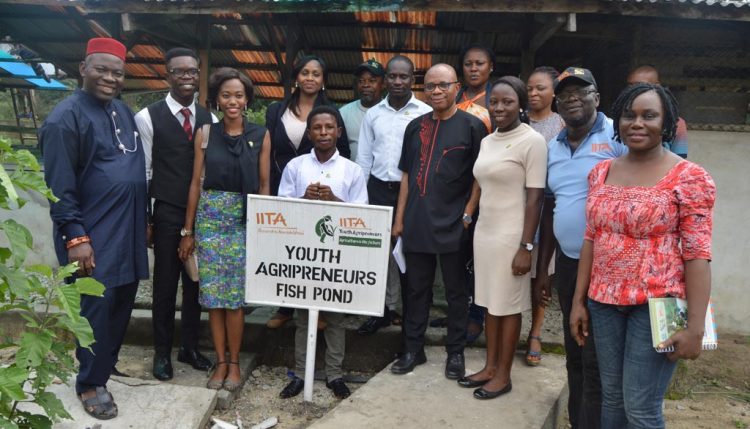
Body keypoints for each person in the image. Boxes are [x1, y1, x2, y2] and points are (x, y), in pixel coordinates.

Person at [570, 83, 715, 428]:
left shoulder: (690, 178)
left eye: (649, 115)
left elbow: (697, 255)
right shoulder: (601, 173)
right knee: (612, 400)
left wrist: (695, 327)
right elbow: (592, 237)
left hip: (657, 306)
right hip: (603, 302)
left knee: (641, 407)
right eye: (629, 115)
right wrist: (579, 301)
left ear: (666, 123)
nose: (637, 123)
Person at [40, 37, 148, 420]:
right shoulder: (63, 119)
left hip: (128, 230)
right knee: (95, 309)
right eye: (101, 69)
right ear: (83, 68)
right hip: (92, 235)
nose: (109, 77)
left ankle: (104, 368)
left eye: (117, 72)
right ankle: (89, 382)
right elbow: (58, 187)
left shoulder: (123, 111)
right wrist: (75, 237)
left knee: (121, 305)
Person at [534, 67, 627, 429]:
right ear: (557, 105)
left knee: (598, 357)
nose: (573, 98)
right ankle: (579, 421)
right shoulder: (553, 147)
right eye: (565, 94)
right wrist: (544, 270)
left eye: (581, 90)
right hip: (571, 264)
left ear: (597, 98)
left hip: (611, 265)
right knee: (575, 352)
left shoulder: (617, 135)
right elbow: (549, 209)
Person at [390, 64, 486, 379]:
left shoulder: (472, 126)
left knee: (457, 292)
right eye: (430, 86)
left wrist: (470, 211)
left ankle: (454, 353)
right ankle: (413, 349)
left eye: (443, 85)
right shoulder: (414, 127)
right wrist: (399, 218)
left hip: (454, 223)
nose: (436, 91)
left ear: (456, 87)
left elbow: (478, 175)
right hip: (416, 222)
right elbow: (405, 175)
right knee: (416, 290)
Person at [178, 67, 271, 391]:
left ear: (247, 100)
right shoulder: (205, 133)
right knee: (214, 299)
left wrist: (262, 232)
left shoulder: (261, 135)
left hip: (242, 223)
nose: (233, 101)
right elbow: (194, 184)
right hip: (210, 222)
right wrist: (187, 231)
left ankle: (234, 362)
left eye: (239, 95)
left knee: (234, 301)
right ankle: (219, 361)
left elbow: (263, 185)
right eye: (226, 95)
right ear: (217, 99)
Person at [458, 76, 547, 399]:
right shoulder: (488, 139)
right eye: (494, 101)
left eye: (507, 101)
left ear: (521, 104)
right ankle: (490, 367)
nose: (498, 107)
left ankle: (504, 375)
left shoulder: (532, 141)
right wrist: (469, 211)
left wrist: (526, 247)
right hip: (485, 234)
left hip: (512, 236)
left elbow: (536, 199)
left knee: (508, 307)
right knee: (488, 304)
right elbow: (480, 182)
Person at [277, 106, 368, 400]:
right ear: (309, 133)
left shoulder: (352, 170)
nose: (324, 133)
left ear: (339, 132)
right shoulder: (296, 166)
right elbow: (281, 208)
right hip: (303, 255)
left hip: (338, 256)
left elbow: (363, 216)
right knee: (303, 318)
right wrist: (304, 198)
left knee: (337, 318)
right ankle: (301, 374)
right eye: (317, 128)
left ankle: (334, 375)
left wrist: (335, 199)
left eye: (329, 127)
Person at [135, 47, 214, 381]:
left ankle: (190, 347)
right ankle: (162, 353)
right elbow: (145, 173)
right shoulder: (147, 117)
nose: (187, 77)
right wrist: (147, 221)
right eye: (180, 72)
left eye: (193, 72)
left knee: (195, 284)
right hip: (167, 211)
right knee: (166, 286)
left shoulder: (209, 117)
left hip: (202, 214)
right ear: (166, 74)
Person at [265, 55, 350, 329]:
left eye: (316, 73)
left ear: (323, 80)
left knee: (319, 249)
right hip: (286, 182)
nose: (310, 78)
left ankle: (320, 309)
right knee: (287, 248)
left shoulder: (332, 112)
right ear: (296, 76)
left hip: (322, 187)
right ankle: (285, 307)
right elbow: (267, 152)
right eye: (305, 72)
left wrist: (333, 190)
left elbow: (343, 150)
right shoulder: (277, 110)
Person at [355, 55, 432, 335]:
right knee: (379, 254)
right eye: (392, 77)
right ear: (385, 80)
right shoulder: (373, 114)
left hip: (411, 193)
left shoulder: (424, 113)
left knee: (409, 253)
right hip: (377, 189)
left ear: (413, 80)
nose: (397, 82)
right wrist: (361, 200)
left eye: (404, 77)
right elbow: (364, 158)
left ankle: (412, 315)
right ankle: (384, 311)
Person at [524, 66, 565, 367]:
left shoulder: (562, 127)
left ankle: (535, 332)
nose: (534, 93)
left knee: (541, 274)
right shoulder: (518, 119)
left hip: (546, 209)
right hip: (516, 207)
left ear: (554, 92)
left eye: (540, 88)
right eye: (530, 88)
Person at [627, 65, 688, 158]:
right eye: (630, 85)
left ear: (657, 85)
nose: (633, 90)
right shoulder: (622, 122)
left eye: (639, 85)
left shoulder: (677, 123)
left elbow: (680, 161)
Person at [339, 58, 385, 161]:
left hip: (381, 175)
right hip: (352, 174)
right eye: (361, 81)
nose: (365, 85)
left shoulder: (390, 112)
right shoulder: (344, 113)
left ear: (383, 84)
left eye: (372, 81)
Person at [456, 43, 495, 133]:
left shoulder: (498, 98)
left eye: (480, 63)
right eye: (468, 64)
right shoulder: (454, 96)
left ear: (491, 67)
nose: (473, 69)